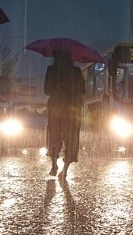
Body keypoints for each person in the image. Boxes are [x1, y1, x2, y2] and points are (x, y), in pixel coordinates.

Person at [44, 50, 85, 179]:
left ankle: (54, 165)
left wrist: (57, 88)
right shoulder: (76, 71)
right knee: (71, 139)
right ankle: (65, 170)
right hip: (72, 110)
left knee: (54, 135)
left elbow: (46, 90)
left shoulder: (51, 70)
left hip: (56, 108)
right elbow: (82, 90)